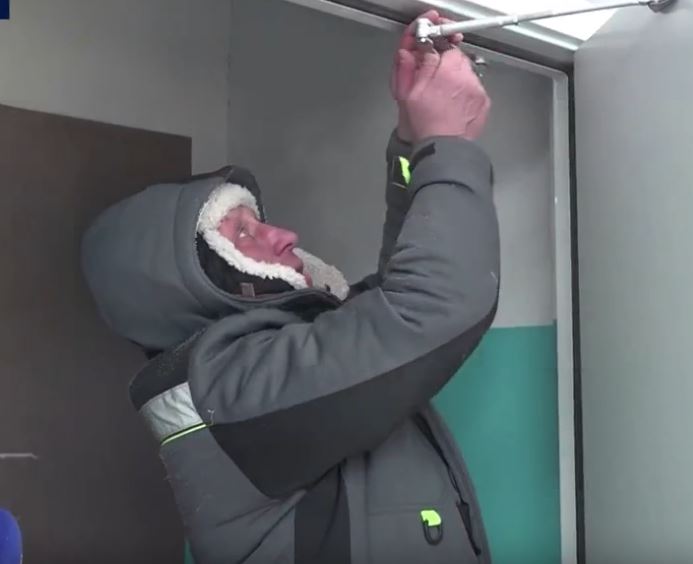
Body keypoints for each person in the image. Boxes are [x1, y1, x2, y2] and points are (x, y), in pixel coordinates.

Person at [81, 12, 498, 563]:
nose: (284, 236)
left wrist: (413, 142)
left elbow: (395, 294)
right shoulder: (230, 391)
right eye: (242, 233)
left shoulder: (267, 363)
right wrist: (448, 143)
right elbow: (426, 306)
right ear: (183, 282)